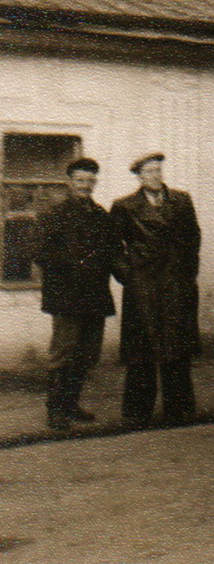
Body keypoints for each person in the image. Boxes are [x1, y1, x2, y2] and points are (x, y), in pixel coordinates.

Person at [111, 153, 202, 426]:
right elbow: (113, 248)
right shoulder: (125, 206)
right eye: (149, 172)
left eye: (158, 170)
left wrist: (186, 275)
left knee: (176, 346)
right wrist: (130, 276)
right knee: (142, 349)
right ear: (138, 176)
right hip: (143, 285)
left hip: (175, 282)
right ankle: (139, 409)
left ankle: (179, 406)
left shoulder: (181, 200)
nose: (155, 176)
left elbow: (193, 239)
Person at [33, 158, 123, 430]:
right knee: (63, 352)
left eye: (90, 181)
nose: (85, 186)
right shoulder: (54, 213)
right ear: (70, 182)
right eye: (80, 180)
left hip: (95, 295)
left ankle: (71, 404)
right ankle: (55, 410)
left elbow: (113, 252)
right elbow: (39, 252)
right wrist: (75, 262)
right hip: (66, 296)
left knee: (86, 354)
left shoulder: (100, 215)